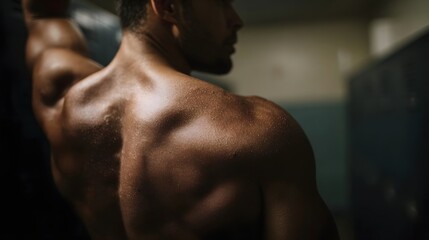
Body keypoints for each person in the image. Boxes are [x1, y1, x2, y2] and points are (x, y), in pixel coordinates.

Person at [22, 0, 340, 239]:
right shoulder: (257, 130)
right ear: (169, 7)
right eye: (221, 2)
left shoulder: (63, 99)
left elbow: (44, 16)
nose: (236, 20)